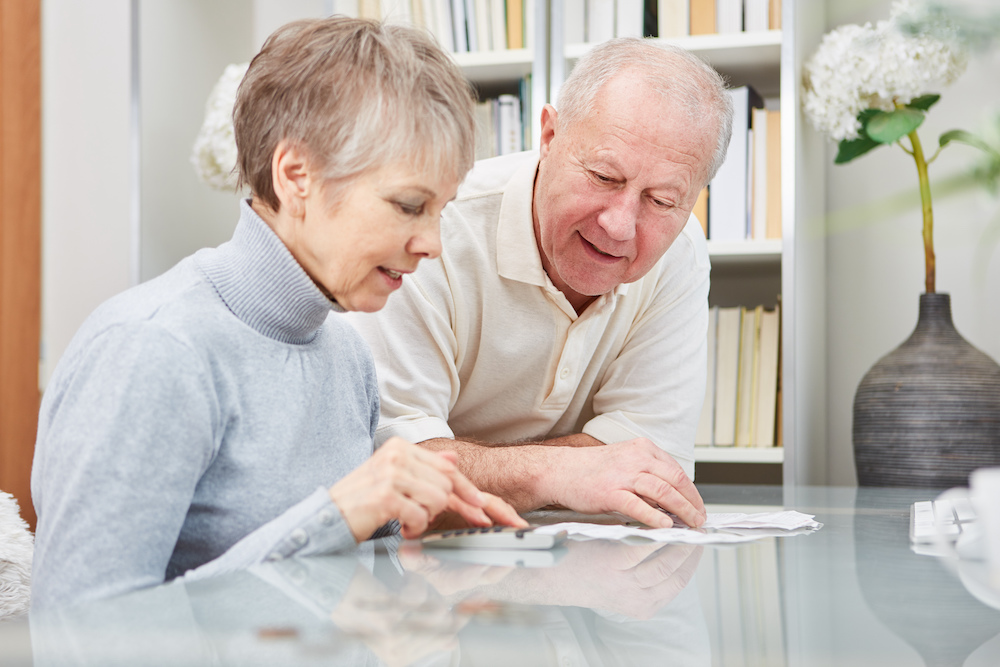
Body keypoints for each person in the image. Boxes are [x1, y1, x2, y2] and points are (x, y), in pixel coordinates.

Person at [30, 17, 523, 612]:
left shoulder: (345, 353)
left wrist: (423, 599)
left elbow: (342, 594)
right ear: (296, 176)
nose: (433, 243)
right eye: (409, 205)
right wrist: (335, 515)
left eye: (441, 210)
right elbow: (80, 633)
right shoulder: (152, 349)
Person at [345, 37, 734, 529]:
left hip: (579, 572)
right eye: (603, 176)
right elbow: (395, 473)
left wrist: (482, 466)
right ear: (549, 136)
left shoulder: (679, 249)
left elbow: (654, 469)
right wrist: (557, 472)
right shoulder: (431, 230)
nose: (620, 225)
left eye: (661, 201)